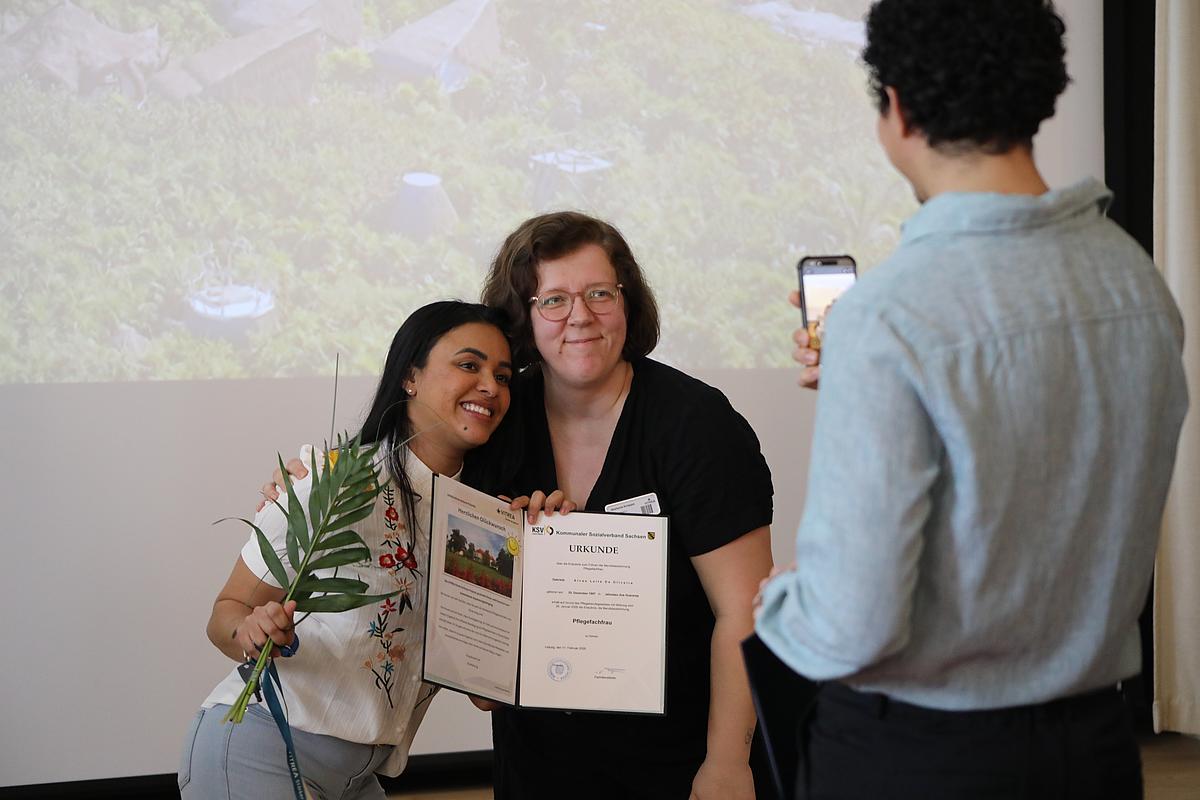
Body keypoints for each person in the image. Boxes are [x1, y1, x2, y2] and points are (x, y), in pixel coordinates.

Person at [755, 1, 1189, 798]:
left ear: (898, 110)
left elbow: (851, 626)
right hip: (1096, 751)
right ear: (1037, 96)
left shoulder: (889, 316)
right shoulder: (1137, 283)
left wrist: (783, 600)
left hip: (920, 760)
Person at [179, 301, 570, 799]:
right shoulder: (336, 482)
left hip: (360, 777)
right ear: (410, 377)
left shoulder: (485, 525)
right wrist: (251, 631)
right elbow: (225, 613)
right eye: (468, 365)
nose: (490, 387)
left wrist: (546, 553)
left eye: (502, 376)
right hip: (264, 745)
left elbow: (484, 696)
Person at [466, 211, 775, 799]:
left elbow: (744, 611)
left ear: (627, 301)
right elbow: (482, 661)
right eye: (553, 300)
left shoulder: (696, 426)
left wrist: (727, 764)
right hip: (537, 764)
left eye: (599, 293)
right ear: (524, 317)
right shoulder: (498, 420)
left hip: (681, 761)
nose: (580, 315)